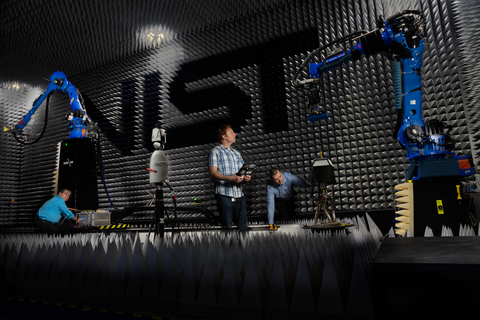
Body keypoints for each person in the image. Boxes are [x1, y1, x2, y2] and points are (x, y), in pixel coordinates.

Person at [209, 125, 251, 232]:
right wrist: (231, 178)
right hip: (224, 194)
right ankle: (227, 248)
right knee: (227, 228)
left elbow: (242, 172)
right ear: (224, 136)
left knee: (243, 227)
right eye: (232, 132)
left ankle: (244, 248)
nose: (235, 134)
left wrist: (246, 177)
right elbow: (213, 173)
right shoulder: (216, 151)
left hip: (239, 194)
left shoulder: (236, 153)